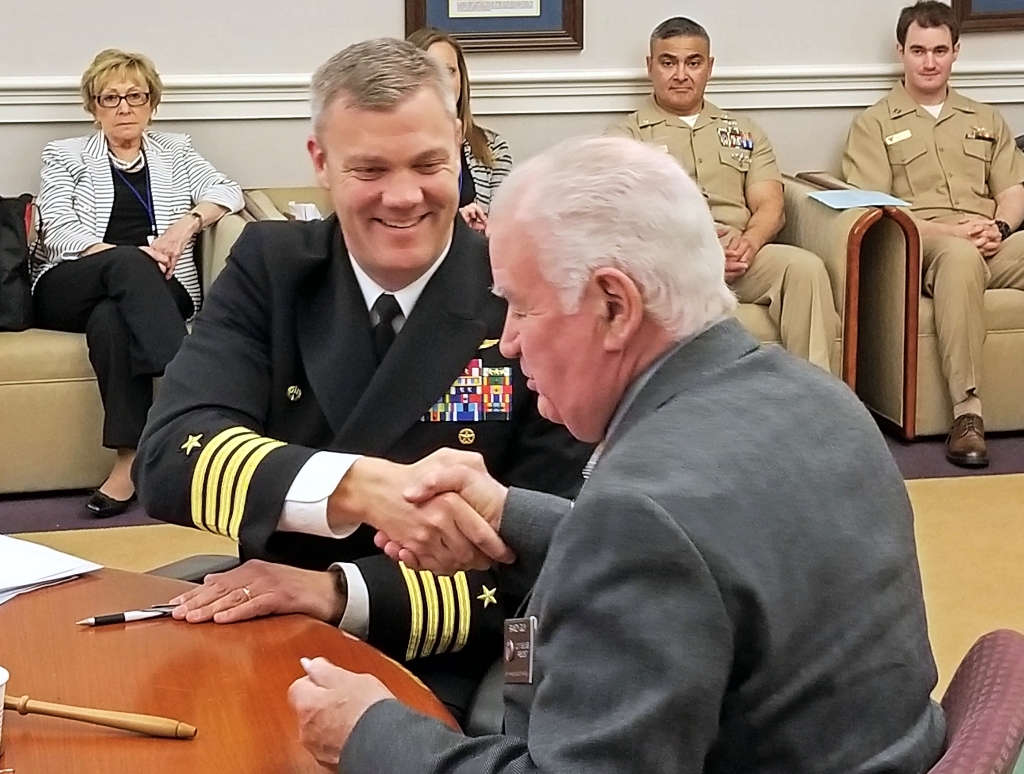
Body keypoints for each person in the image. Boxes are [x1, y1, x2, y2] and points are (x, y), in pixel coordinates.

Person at [286, 136, 945, 774]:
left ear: (614, 305)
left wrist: (368, 732)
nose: (508, 343)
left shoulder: (641, 513)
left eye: (520, 307)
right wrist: (510, 516)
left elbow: (656, 538)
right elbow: (701, 561)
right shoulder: (817, 399)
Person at [133, 38, 590, 721]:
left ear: (459, 151)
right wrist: (363, 488)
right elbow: (170, 459)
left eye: (430, 164)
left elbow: (553, 558)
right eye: (370, 168)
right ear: (320, 162)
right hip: (269, 635)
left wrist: (337, 590)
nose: (403, 197)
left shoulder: (522, 287)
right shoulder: (274, 267)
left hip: (447, 653)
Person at [31, 49, 244, 517]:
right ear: (93, 106)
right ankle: (186, 380)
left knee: (112, 321)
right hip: (73, 281)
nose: (124, 107)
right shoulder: (64, 155)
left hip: (154, 290)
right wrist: (132, 257)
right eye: (111, 98)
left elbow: (226, 191)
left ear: (152, 103)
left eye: (135, 96)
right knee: (128, 266)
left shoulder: (177, 151)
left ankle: (128, 463)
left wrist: (183, 227)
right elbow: (60, 229)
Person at [842, 0, 1024, 468]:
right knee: (960, 260)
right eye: (918, 50)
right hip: (924, 246)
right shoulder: (874, 124)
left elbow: (1014, 190)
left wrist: (999, 227)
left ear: (956, 52)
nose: (929, 62)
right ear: (900, 51)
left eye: (939, 50)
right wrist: (953, 233)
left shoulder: (985, 118)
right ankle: (967, 414)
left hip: (992, 242)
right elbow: (879, 212)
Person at [606, 17, 840, 373]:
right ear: (650, 66)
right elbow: (630, 218)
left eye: (693, 62)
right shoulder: (626, 137)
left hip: (741, 256)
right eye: (668, 62)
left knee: (803, 268)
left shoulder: (743, 130)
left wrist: (750, 242)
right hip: (673, 264)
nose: (681, 74)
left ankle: (817, 400)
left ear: (709, 67)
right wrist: (700, 253)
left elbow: (770, 205)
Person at [408, 27, 513, 234]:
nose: (444, 82)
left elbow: (504, 226)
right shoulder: (395, 145)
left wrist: (479, 228)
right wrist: (455, 225)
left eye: (450, 71)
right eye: (432, 71)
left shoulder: (492, 146)